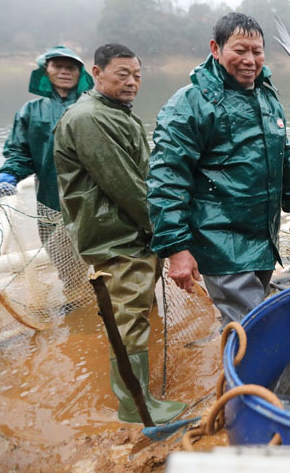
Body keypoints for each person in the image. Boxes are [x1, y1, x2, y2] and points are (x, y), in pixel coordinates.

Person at [146, 13, 290, 328]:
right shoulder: (190, 104)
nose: (250, 60)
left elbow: (282, 153)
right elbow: (167, 178)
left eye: (257, 51)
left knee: (246, 323)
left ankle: (239, 372)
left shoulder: (266, 96)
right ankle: (246, 378)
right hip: (220, 243)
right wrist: (176, 248)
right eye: (240, 50)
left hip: (263, 238)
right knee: (253, 329)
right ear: (216, 49)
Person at [53, 43, 186, 424]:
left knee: (135, 313)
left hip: (129, 234)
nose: (131, 83)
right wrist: (168, 234)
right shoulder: (88, 118)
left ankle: (138, 396)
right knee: (127, 316)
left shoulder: (114, 112)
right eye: (122, 74)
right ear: (97, 73)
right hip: (115, 237)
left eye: (137, 76)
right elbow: (127, 185)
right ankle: (135, 406)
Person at [0, 46, 93, 297]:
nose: (65, 72)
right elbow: (20, 153)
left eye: (71, 67)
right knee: (62, 256)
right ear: (46, 70)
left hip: (93, 197)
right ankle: (76, 296)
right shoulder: (30, 111)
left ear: (81, 73)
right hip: (50, 199)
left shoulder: (93, 105)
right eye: (58, 66)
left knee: (102, 253)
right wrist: (10, 174)